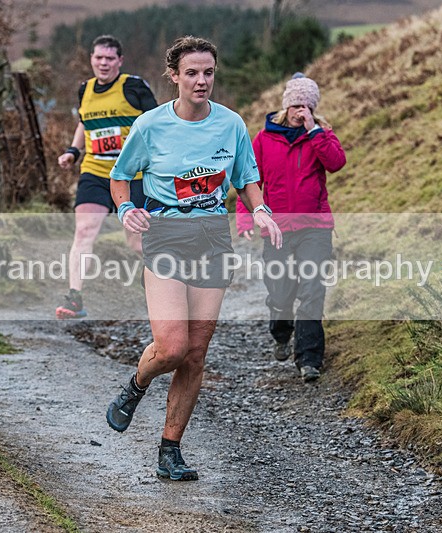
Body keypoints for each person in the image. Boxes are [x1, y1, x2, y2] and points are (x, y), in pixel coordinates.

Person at [104, 36, 282, 481]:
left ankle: (170, 449)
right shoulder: (150, 126)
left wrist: (260, 210)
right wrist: (127, 210)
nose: (202, 81)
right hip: (164, 233)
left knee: (196, 355)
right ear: (175, 77)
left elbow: (247, 178)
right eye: (192, 73)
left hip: (211, 236)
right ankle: (136, 385)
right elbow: (120, 177)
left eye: (208, 73)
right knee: (172, 347)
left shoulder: (231, 124)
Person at [236, 74, 346, 382]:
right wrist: (246, 217)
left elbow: (336, 163)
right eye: (296, 105)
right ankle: (281, 332)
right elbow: (248, 181)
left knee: (312, 289)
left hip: (316, 226)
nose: (301, 112)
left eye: (307, 107)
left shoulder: (322, 134)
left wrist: (314, 131)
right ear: (287, 106)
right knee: (281, 291)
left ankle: (309, 359)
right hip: (277, 228)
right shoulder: (263, 139)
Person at [56, 34, 158, 319]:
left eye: (109, 58)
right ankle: (74, 298)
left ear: (119, 61)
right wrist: (73, 151)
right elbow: (84, 124)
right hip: (96, 172)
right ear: (91, 59)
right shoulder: (84, 90)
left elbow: (157, 123)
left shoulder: (134, 87)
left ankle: (162, 280)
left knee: (137, 242)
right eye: (98, 57)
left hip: (132, 176)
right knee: (84, 231)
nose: (103, 63)